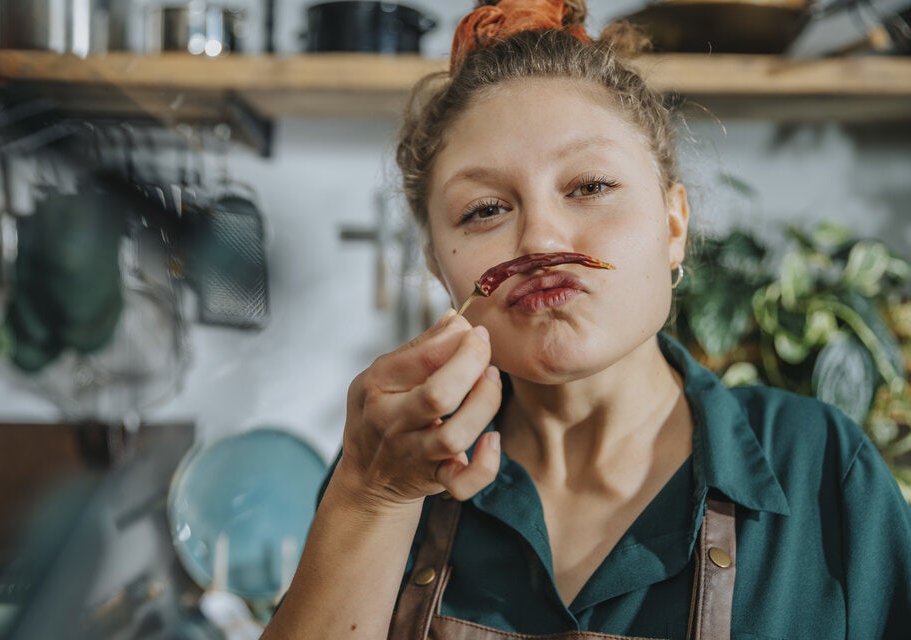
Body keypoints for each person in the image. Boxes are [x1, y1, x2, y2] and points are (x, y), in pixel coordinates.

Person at [261, 0, 911, 638]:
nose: (541, 239)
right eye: (485, 210)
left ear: (674, 225)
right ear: (438, 266)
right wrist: (371, 497)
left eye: (590, 187)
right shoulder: (394, 461)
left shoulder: (819, 465)